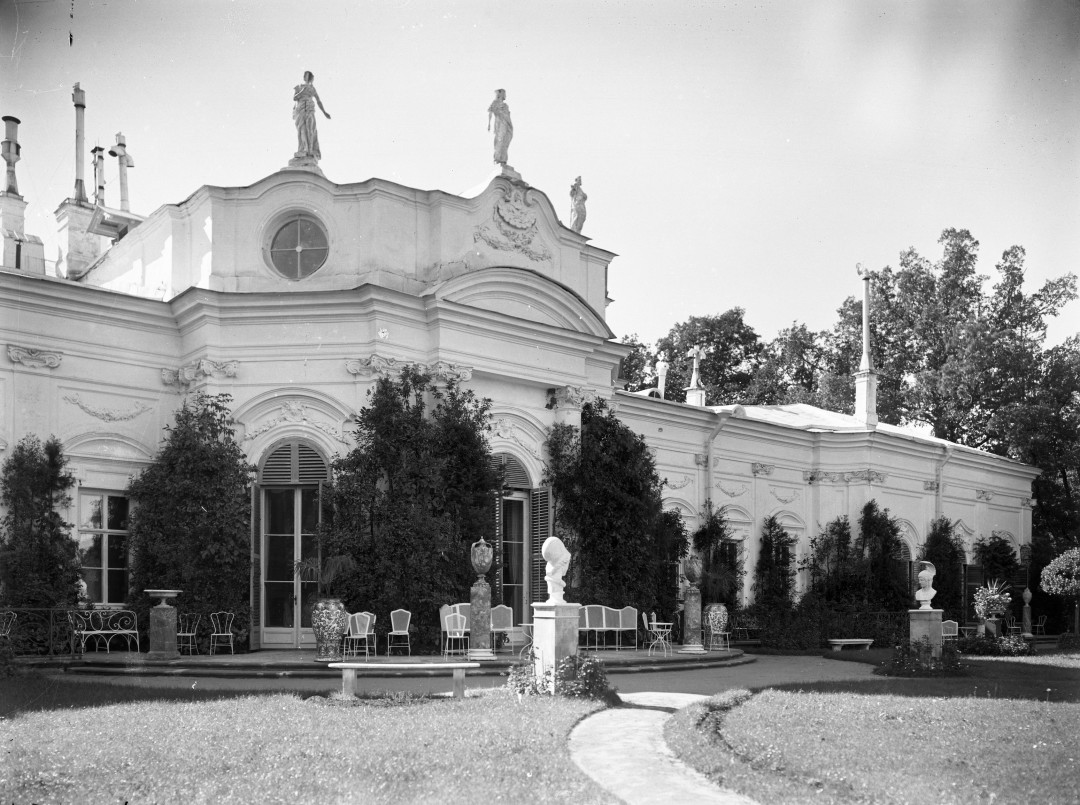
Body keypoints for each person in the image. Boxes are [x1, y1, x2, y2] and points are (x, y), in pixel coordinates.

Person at [293, 71, 331, 161]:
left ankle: (309, 150)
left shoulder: (312, 89)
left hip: (310, 108)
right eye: (305, 76)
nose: (306, 77)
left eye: (308, 76)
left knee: (310, 129)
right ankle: (302, 149)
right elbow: (295, 98)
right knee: (301, 129)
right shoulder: (299, 87)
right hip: (301, 109)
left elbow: (318, 101)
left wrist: (324, 112)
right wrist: (302, 91)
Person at [487, 88, 513, 165]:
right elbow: (490, 112)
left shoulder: (505, 105)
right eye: (504, 93)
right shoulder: (495, 102)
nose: (505, 95)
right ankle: (498, 159)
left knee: (505, 140)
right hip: (500, 124)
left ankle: (503, 159)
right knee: (500, 140)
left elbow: (507, 115)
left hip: (507, 124)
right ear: (501, 94)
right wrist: (489, 124)